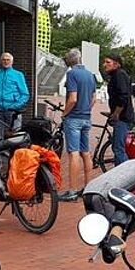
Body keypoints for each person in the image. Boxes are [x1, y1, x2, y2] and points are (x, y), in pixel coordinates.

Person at [59, 48, 96, 202]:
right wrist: (86, 109)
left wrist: (64, 113)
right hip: (86, 117)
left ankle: (72, 190)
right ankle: (89, 188)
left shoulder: (72, 74)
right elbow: (94, 98)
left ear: (69, 61)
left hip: (74, 118)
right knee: (85, 152)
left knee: (73, 153)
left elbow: (73, 98)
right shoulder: (90, 75)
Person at [0, 52, 29, 140]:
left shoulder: (18, 75)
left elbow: (25, 94)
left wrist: (15, 106)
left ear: (12, 62)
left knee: (14, 137)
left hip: (13, 111)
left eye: (8, 60)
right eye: (3, 60)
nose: (6, 62)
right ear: (0, 61)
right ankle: (1, 154)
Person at [102, 54, 134, 166]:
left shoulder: (119, 75)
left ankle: (126, 176)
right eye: (104, 62)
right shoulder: (117, 75)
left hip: (122, 117)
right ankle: (119, 172)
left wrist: (116, 113)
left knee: (119, 149)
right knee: (117, 147)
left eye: (108, 62)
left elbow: (123, 96)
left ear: (116, 64)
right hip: (122, 116)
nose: (104, 65)